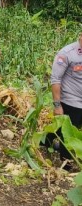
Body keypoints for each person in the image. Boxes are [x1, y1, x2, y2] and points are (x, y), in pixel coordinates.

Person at [51, 33, 82, 168]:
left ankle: (51, 144)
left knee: (73, 133)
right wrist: (57, 105)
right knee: (68, 135)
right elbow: (55, 80)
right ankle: (66, 166)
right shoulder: (66, 54)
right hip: (70, 101)